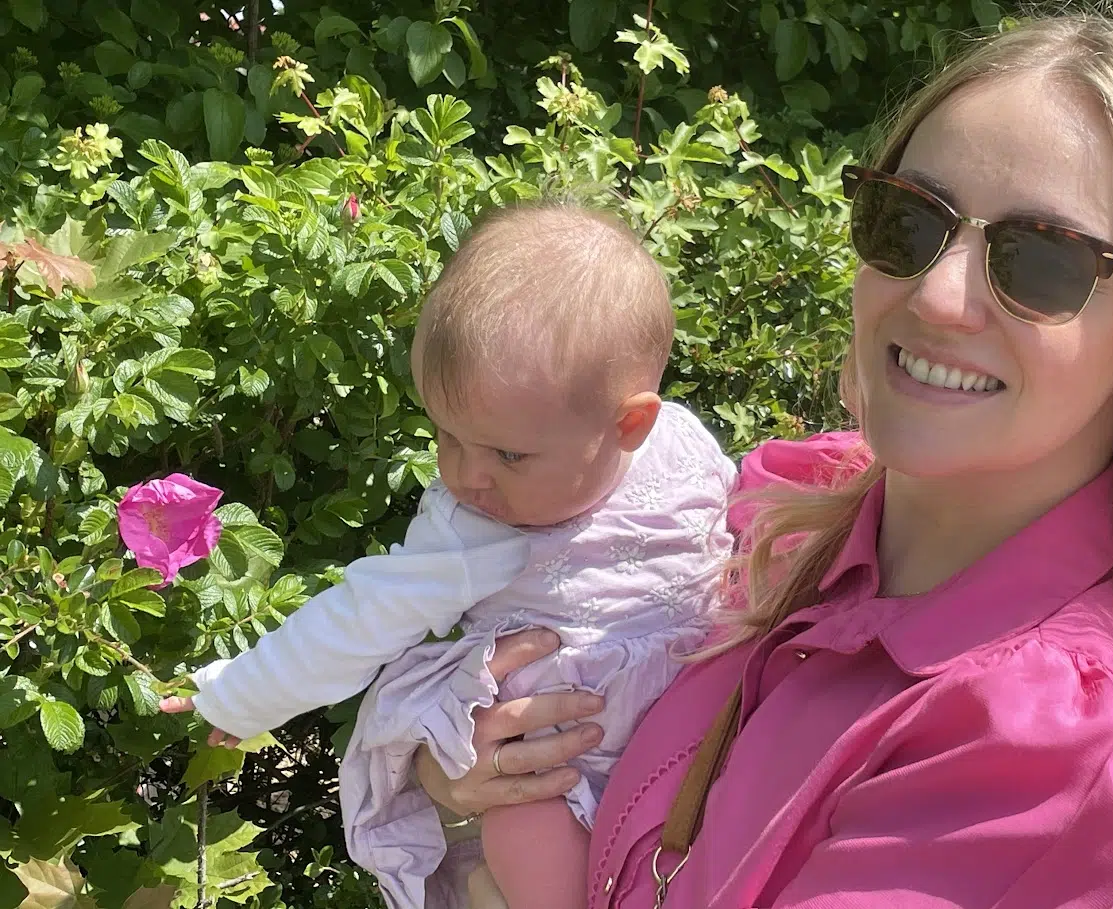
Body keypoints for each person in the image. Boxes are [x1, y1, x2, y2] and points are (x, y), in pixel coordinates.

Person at [413, 11, 1113, 908]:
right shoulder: (779, 507)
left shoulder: (1044, 750)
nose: (936, 295)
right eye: (910, 219)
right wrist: (458, 769)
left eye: (1041, 262)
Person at [159, 205, 738, 909]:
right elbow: (360, 618)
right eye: (447, 435)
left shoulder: (684, 448)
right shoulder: (472, 527)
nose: (465, 474)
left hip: (702, 732)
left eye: (508, 455)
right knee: (526, 830)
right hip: (558, 764)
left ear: (631, 424)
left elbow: (739, 532)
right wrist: (244, 695)